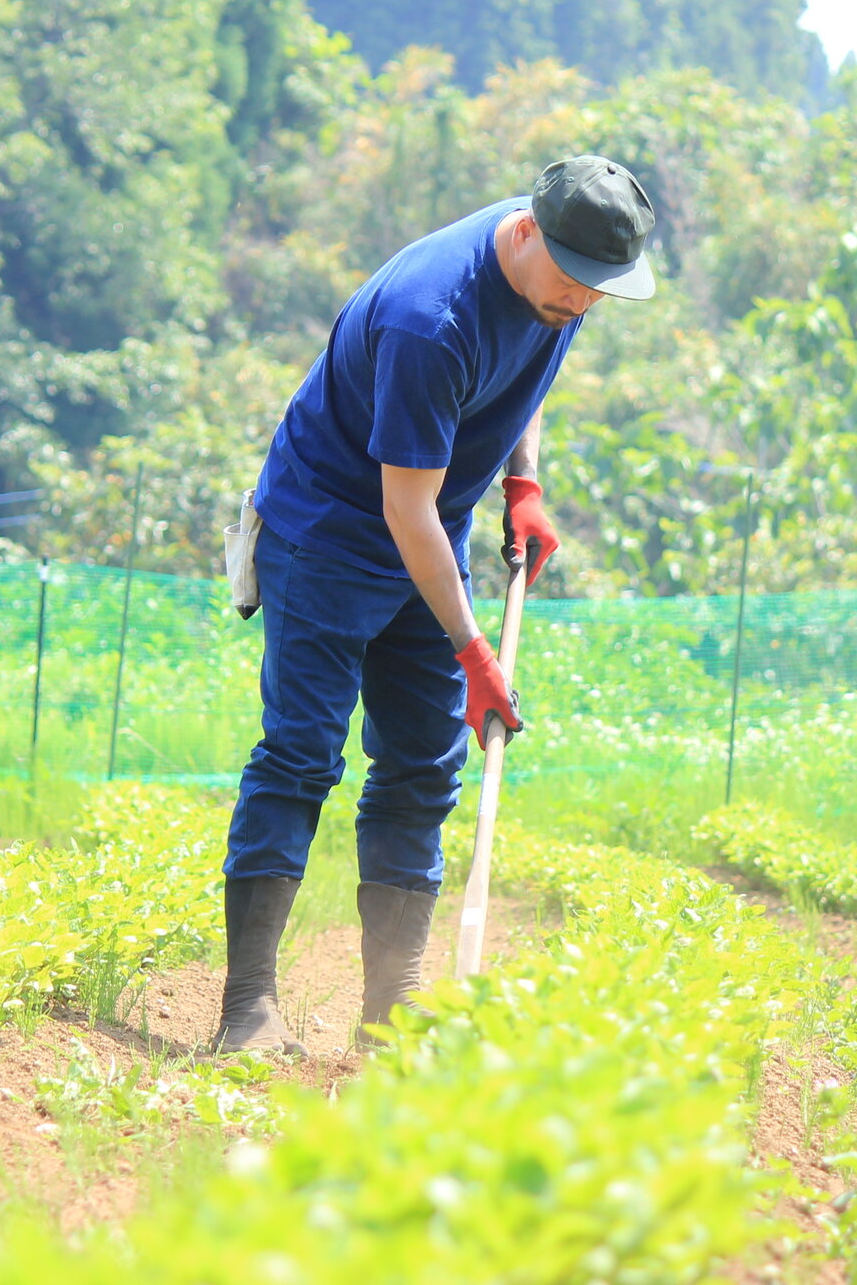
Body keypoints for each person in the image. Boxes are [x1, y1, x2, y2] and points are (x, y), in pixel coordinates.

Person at [214, 155, 658, 1054]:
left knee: (424, 764)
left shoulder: (561, 281)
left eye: (598, 293)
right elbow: (402, 507)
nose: (580, 305)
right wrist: (472, 649)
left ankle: (393, 1012)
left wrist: (522, 482)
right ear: (527, 231)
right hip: (330, 530)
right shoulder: (432, 318)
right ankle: (247, 1006)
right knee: (302, 754)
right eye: (573, 284)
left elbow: (521, 376)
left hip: (431, 524)